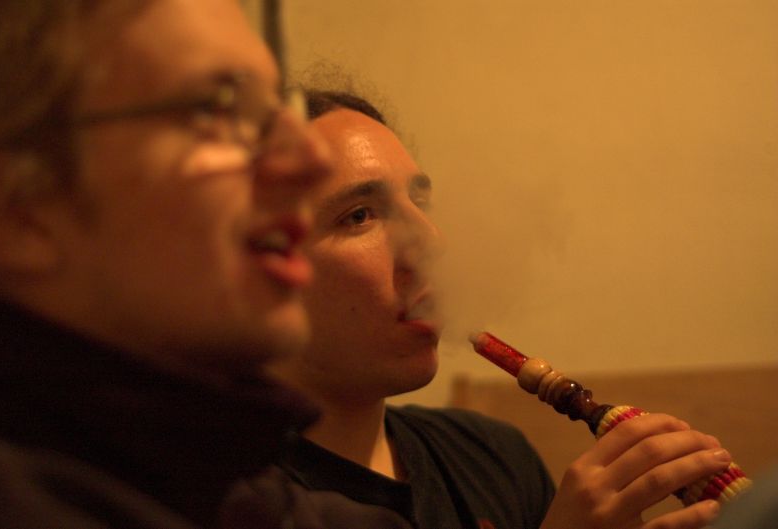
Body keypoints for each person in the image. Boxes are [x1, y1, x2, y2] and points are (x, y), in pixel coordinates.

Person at [0, 2, 412, 528]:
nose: (311, 161)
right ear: (17, 206)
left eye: (279, 110)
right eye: (219, 109)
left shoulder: (220, 482)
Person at [270, 90, 733, 529]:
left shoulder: (493, 455)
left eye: (421, 202)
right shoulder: (241, 502)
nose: (432, 241)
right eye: (360, 215)